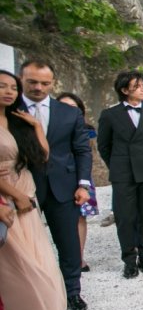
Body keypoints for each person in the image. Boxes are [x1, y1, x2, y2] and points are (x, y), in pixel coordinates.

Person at [18, 60, 93, 310]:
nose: (39, 87)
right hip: (23, 186)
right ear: (22, 80)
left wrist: (83, 184)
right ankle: (31, 297)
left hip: (64, 185)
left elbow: (82, 150)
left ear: (52, 83)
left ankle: (72, 292)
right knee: (23, 245)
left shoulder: (68, 112)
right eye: (32, 82)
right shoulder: (9, 109)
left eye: (45, 83)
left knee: (68, 243)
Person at [0, 70, 66, 310]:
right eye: (2, 86)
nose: (8, 91)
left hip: (26, 190)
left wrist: (37, 127)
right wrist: (14, 196)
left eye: (12, 88)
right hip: (7, 194)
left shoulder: (18, 122)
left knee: (36, 257)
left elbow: (42, 156)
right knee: (13, 261)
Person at [98, 71, 143, 279]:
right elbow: (104, 146)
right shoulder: (110, 115)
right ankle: (129, 258)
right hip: (123, 172)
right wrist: (118, 165)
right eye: (138, 86)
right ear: (125, 90)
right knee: (125, 217)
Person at [55, 93, 98, 273]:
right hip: (57, 176)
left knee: (81, 217)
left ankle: (79, 258)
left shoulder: (86, 129)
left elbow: (88, 152)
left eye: (73, 107)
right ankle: (65, 258)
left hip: (81, 176)